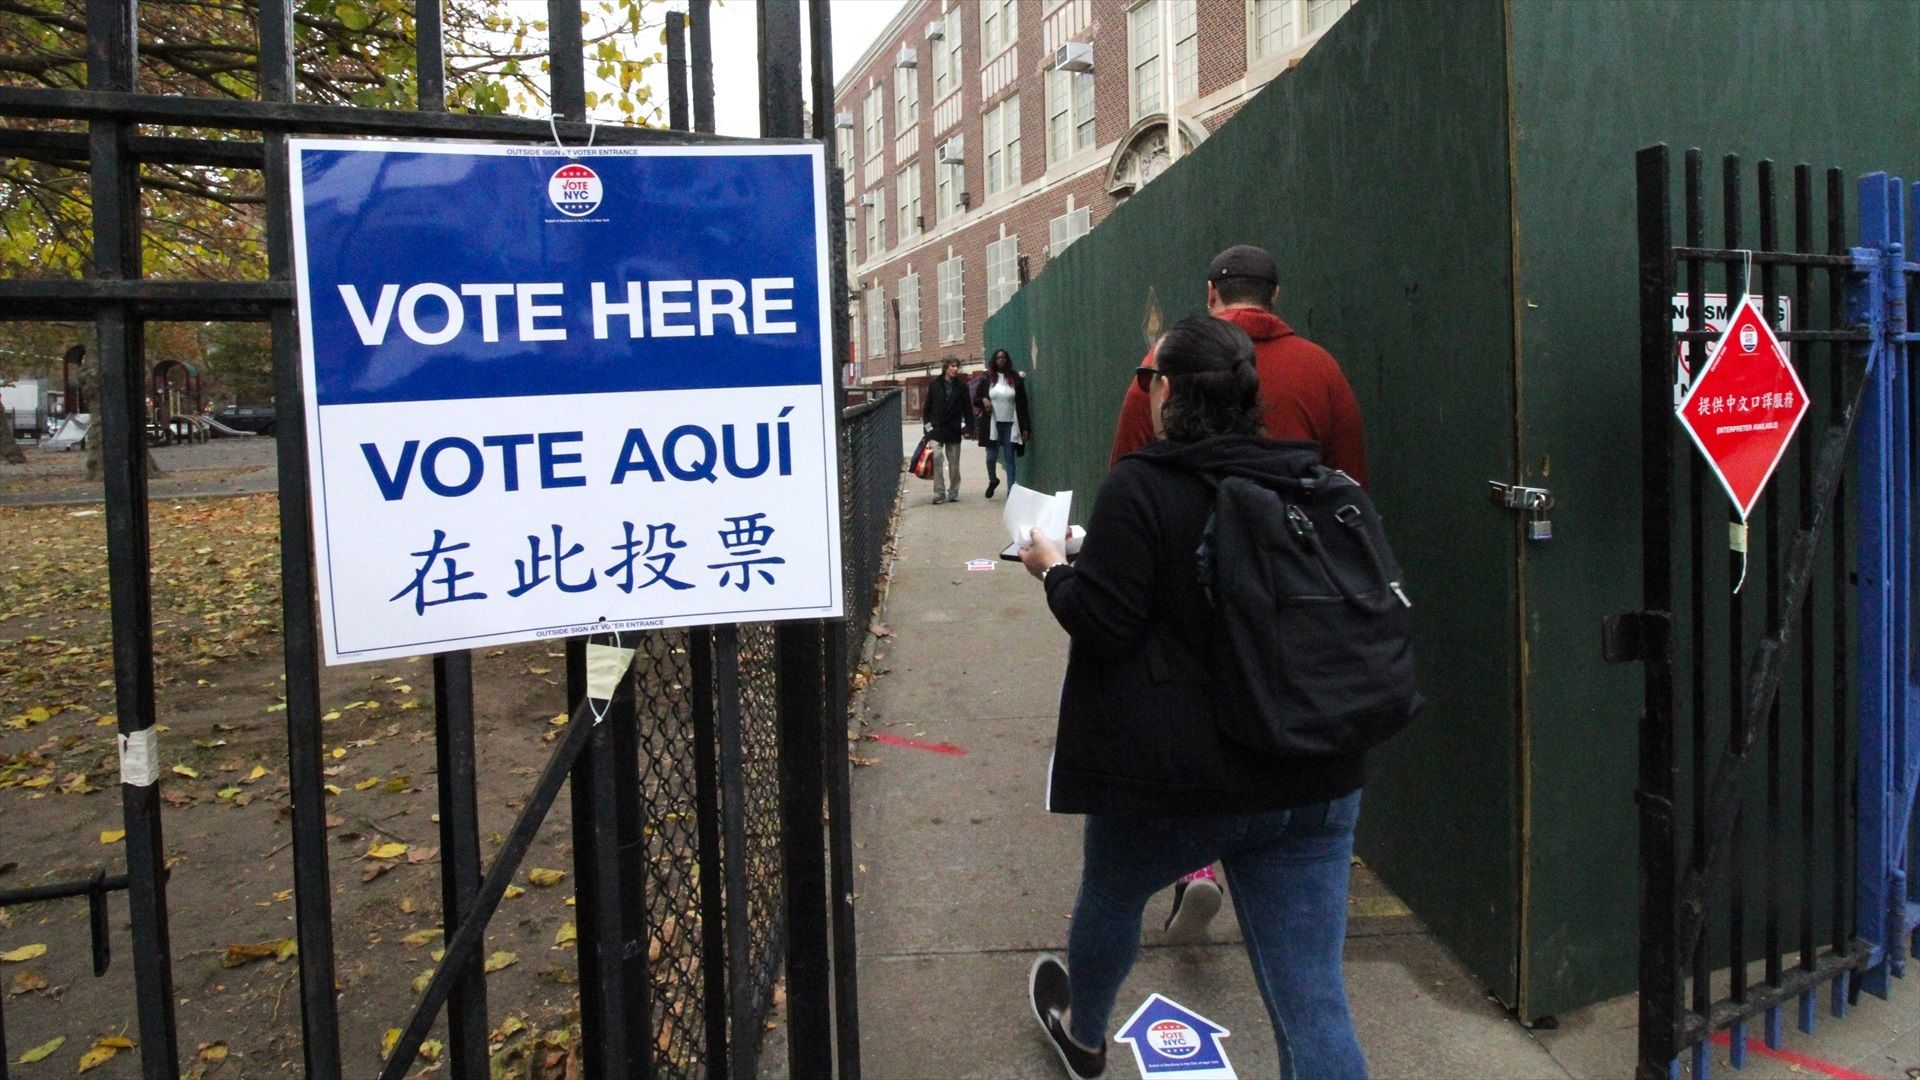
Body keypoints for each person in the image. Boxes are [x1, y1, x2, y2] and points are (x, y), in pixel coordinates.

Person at [1020, 314, 1369, 1080]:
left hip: (1188, 781)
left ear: (1165, 389)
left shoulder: (1140, 487)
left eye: (1150, 381)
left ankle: (1085, 1034)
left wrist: (1050, 567)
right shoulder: (1313, 479)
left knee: (1111, 893)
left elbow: (1104, 622)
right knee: (1314, 1001)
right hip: (1317, 772)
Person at [1112, 243, 1372, 941]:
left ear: (1210, 295)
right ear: (1276, 297)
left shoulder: (1166, 365)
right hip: (1295, 589)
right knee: (1280, 712)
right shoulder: (1320, 369)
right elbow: (1350, 481)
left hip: (1193, 582)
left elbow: (1126, 466)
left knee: (1198, 724)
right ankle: (1291, 837)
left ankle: (1197, 867)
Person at [973, 348, 1032, 498]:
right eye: (998, 358)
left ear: (1007, 360)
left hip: (1011, 424)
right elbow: (976, 399)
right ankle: (993, 480)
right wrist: (984, 400)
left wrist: (1026, 428)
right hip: (992, 424)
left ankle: (1011, 492)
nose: (1001, 360)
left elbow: (1022, 404)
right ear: (994, 360)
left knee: (1009, 458)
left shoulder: (1015, 378)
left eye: (1004, 358)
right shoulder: (987, 378)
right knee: (990, 457)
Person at [922, 357, 972, 504]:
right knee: (936, 457)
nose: (956, 369)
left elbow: (967, 408)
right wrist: (928, 429)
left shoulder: (962, 386)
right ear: (946, 367)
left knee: (954, 463)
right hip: (936, 429)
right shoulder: (934, 385)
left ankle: (954, 491)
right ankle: (939, 493)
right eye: (953, 366)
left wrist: (968, 427)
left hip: (954, 429)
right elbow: (927, 409)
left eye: (957, 366)